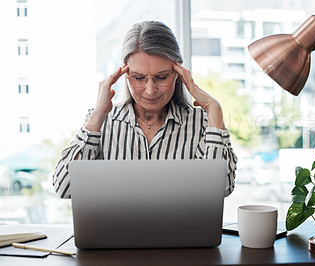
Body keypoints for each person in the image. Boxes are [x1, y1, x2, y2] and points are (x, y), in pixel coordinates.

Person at [52, 21, 237, 199]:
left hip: (179, 231)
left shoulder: (202, 122)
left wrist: (214, 109)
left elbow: (221, 189)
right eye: (139, 78)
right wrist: (98, 114)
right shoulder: (102, 122)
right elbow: (64, 187)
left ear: (178, 73)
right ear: (124, 74)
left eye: (161, 77)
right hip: (116, 231)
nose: (150, 90)